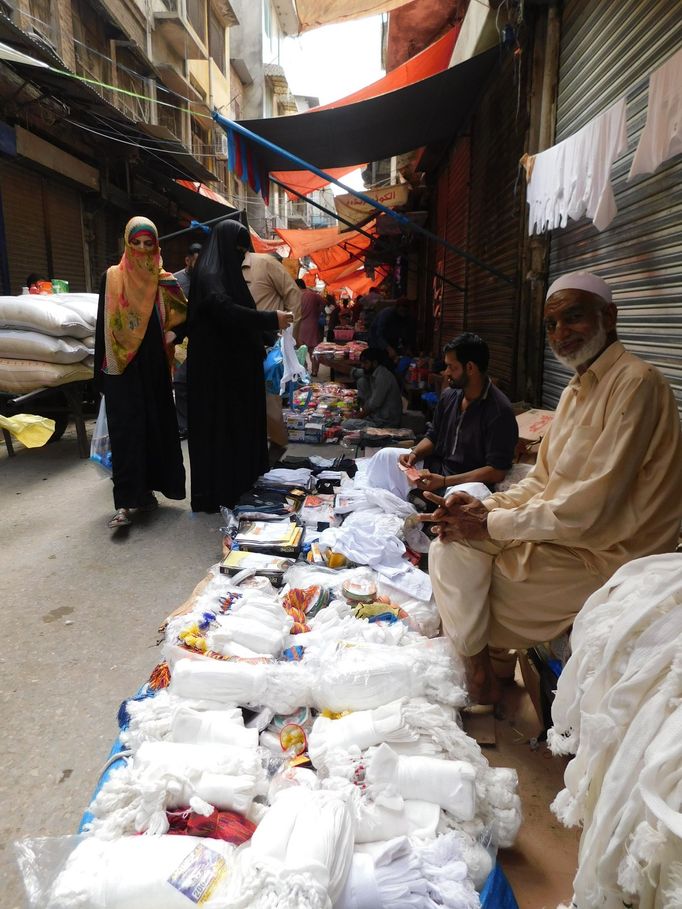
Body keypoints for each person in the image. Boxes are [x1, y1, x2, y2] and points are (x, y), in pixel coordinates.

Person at [425, 272, 682, 705]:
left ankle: (482, 672)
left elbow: (591, 508)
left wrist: (491, 524)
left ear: (610, 316)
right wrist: (483, 508)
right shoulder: (573, 391)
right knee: (448, 540)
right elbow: (543, 482)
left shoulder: (637, 384)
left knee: (475, 577)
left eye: (573, 318)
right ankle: (494, 666)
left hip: (612, 554)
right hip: (571, 536)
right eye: (551, 325)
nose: (560, 334)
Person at [186, 220, 293, 512]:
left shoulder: (221, 271)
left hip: (233, 370)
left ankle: (241, 485)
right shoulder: (210, 274)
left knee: (238, 426)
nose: (241, 256)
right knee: (223, 430)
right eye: (238, 250)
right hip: (217, 375)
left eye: (244, 251)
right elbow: (225, 310)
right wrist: (271, 319)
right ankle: (223, 492)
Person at [94, 217, 187, 529]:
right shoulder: (112, 277)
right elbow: (101, 325)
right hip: (121, 367)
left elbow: (185, 317)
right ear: (127, 243)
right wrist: (101, 374)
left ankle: (146, 495)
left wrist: (177, 334)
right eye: (137, 243)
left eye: (149, 244)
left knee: (154, 429)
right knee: (125, 435)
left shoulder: (165, 281)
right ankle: (124, 503)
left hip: (155, 368)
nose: (143, 249)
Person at [364, 333, 518, 500]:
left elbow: (496, 471)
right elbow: (433, 435)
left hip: (467, 482)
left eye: (452, 367)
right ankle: (419, 499)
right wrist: (414, 455)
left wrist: (444, 481)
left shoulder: (499, 411)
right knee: (385, 457)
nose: (446, 373)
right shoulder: (449, 395)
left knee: (461, 501)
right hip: (438, 468)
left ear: (470, 368)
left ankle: (424, 501)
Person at [242, 249, 302, 463]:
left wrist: (289, 340)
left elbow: (293, 294)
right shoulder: (225, 267)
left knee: (269, 402)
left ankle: (277, 443)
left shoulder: (265, 263)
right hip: (243, 346)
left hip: (271, 347)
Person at [172, 242, 202, 438]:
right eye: (196, 262)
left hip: (201, 338)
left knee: (197, 384)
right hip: (179, 339)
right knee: (181, 383)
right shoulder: (175, 281)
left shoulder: (207, 280)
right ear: (188, 260)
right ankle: (184, 425)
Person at [342, 347, 403, 430]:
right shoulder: (373, 371)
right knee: (361, 381)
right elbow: (354, 372)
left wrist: (356, 417)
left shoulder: (383, 377)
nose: (362, 366)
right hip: (375, 417)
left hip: (385, 423)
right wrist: (327, 362)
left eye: (365, 363)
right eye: (362, 363)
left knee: (346, 424)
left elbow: (373, 405)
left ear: (374, 363)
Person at [296, 278, 325, 376]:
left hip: (300, 326)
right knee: (313, 351)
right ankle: (314, 371)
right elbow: (323, 303)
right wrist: (317, 312)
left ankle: (303, 369)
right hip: (312, 325)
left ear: (297, 286)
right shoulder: (313, 295)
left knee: (301, 351)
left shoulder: (295, 296)